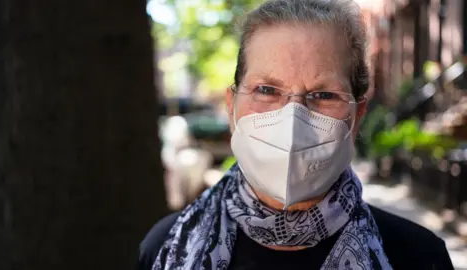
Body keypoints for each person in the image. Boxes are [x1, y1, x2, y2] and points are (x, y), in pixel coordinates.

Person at [138, 0, 454, 269]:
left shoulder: (418, 257)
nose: (292, 118)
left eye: (324, 95)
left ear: (356, 117)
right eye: (266, 90)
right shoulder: (164, 247)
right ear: (232, 107)